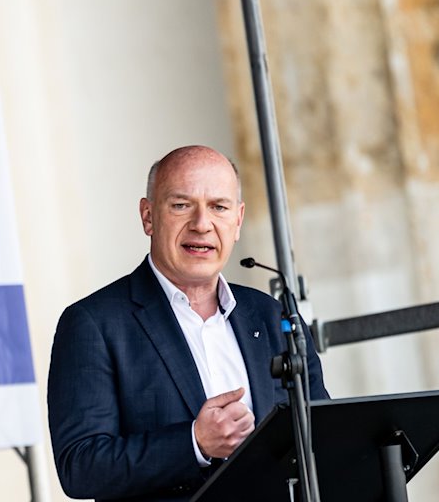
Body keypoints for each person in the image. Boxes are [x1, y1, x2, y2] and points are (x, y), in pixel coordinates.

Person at [47, 145, 329, 501]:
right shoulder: (94, 324)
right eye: (181, 205)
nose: (201, 224)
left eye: (219, 207)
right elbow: (81, 467)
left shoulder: (274, 317)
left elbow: (323, 437)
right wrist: (194, 442)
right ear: (148, 216)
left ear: (238, 220)